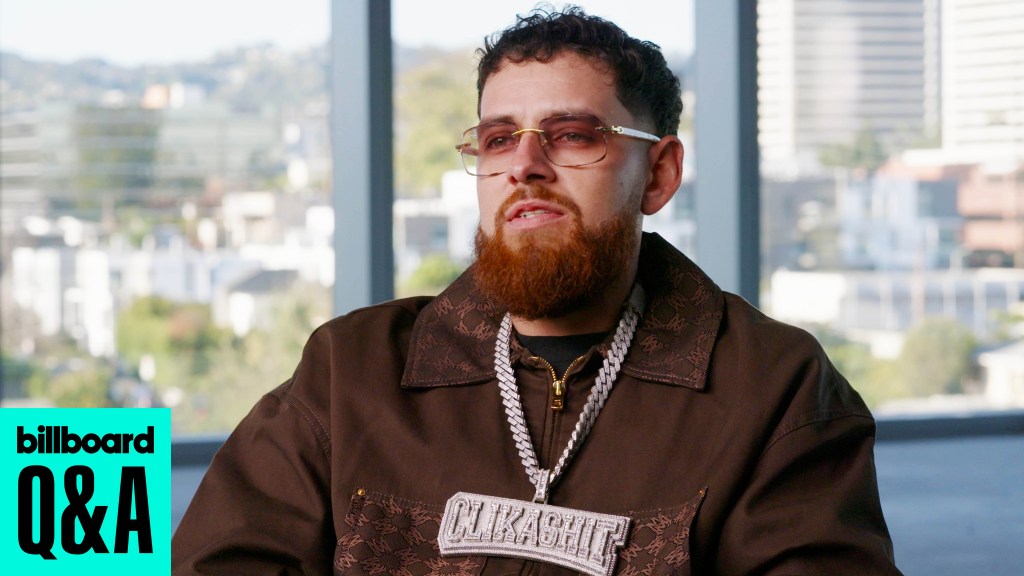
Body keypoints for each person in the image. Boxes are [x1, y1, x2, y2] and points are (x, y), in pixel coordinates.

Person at [173, 6, 903, 575]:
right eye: (498, 139)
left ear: (658, 174)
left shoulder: (774, 389)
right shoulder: (348, 370)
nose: (524, 164)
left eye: (573, 134)